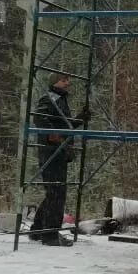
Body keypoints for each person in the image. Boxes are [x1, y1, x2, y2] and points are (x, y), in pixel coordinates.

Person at [29, 72, 89, 246]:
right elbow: (39, 117)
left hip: (58, 152)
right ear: (55, 82)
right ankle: (50, 235)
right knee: (56, 193)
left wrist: (79, 119)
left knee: (54, 192)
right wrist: (52, 135)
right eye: (64, 80)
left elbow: (65, 125)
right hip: (51, 152)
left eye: (68, 80)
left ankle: (37, 229)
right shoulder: (50, 98)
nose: (67, 83)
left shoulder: (60, 100)